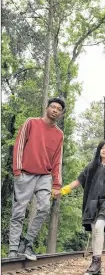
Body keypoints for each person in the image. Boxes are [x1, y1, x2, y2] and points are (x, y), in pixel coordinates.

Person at [8, 97, 65, 260]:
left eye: (58, 109)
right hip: (25, 174)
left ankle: (27, 243)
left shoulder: (59, 134)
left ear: (60, 114)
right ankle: (13, 248)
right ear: (47, 108)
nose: (55, 110)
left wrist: (57, 184)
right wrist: (17, 171)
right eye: (53, 107)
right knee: (18, 212)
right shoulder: (31, 123)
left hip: (44, 177)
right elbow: (19, 145)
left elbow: (58, 160)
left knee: (44, 208)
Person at [60, 140, 105, 275]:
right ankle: (96, 265)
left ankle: (96, 261)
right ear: (99, 150)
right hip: (92, 203)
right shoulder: (91, 166)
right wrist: (64, 190)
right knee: (95, 231)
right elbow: (79, 180)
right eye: (102, 148)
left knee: (99, 227)